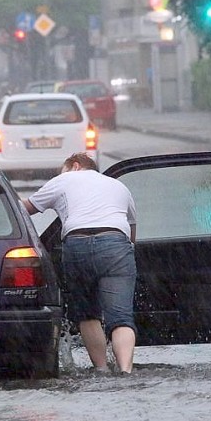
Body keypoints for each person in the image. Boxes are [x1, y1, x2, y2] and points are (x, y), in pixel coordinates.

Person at [22, 152, 137, 374]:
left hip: (77, 245)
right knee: (121, 317)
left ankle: (102, 369)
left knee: (88, 314)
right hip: (116, 244)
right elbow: (132, 232)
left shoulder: (65, 179)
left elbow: (25, 208)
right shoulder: (118, 186)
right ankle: (126, 371)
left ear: (75, 166)